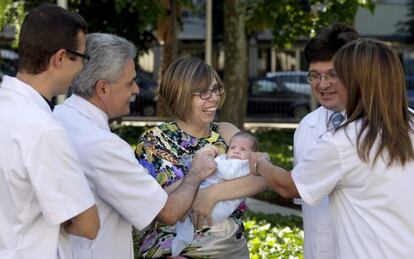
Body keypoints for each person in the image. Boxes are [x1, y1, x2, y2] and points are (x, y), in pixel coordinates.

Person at [52, 33, 216, 259]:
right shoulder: (103, 146)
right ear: (103, 88)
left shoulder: (57, 118)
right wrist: (197, 172)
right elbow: (168, 212)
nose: (137, 90)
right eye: (130, 82)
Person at [250, 38, 414, 258]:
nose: (328, 84)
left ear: (357, 82)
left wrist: (260, 162)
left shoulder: (345, 140)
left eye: (338, 76)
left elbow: (287, 186)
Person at [135, 57, 266, 258]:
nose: (213, 98)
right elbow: (159, 206)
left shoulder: (227, 132)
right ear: (180, 95)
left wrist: (211, 194)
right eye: (203, 92)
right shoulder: (154, 141)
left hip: (228, 247)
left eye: (216, 89)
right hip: (173, 249)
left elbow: (264, 175)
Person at [0, 4, 99, 259]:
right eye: (83, 58)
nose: (82, 69)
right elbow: (88, 225)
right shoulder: (44, 129)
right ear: (61, 58)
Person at [294, 22, 359, 259]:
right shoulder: (306, 127)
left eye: (332, 74)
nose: (322, 85)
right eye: (315, 75)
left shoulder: (387, 126)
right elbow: (304, 194)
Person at [172, 131, 258, 256]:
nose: (236, 151)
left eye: (243, 149)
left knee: (193, 214)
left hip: (220, 206)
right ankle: (184, 231)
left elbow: (228, 173)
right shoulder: (227, 159)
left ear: (252, 155)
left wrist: (211, 161)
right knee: (186, 212)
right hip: (208, 195)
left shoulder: (244, 165)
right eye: (232, 147)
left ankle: (186, 229)